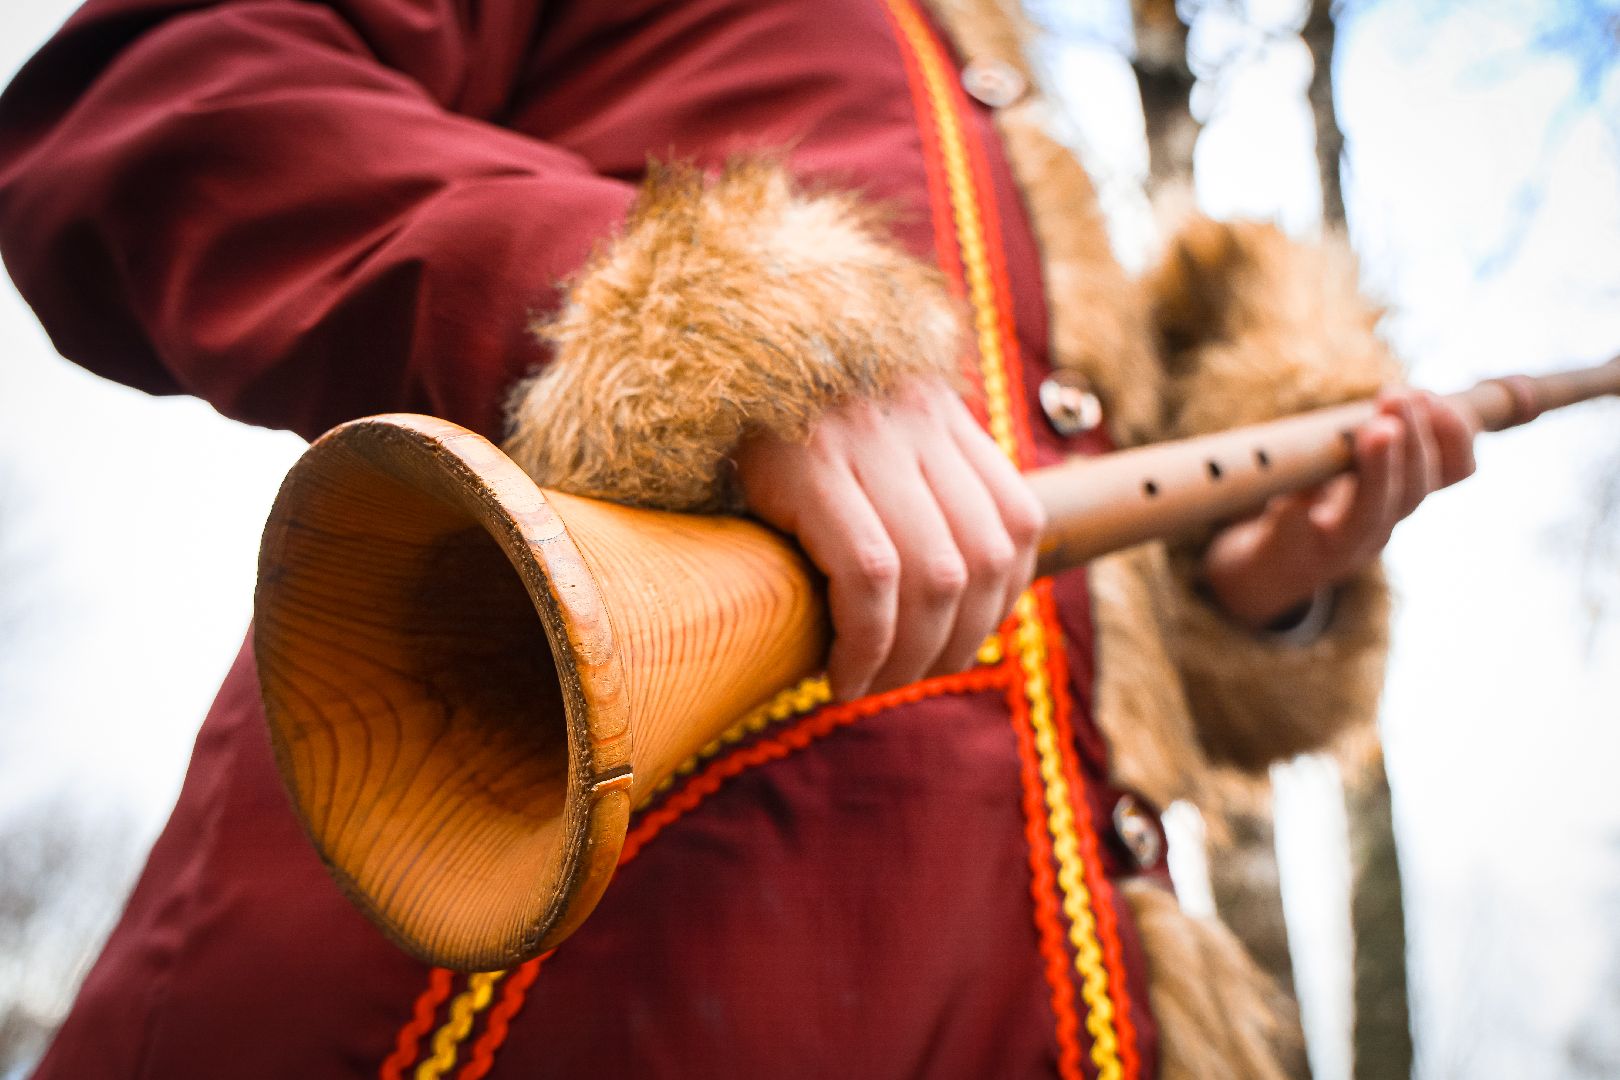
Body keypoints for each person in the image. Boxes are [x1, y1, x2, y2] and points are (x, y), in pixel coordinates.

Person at [0, 0, 1475, 1076]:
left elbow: (1039, 582)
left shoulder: (1017, 106)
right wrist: (716, 336)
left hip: (1007, 993)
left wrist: (1248, 598)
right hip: (545, 942)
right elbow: (164, 98)